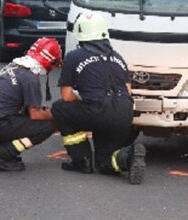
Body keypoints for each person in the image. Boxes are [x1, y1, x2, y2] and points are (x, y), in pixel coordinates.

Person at [52, 11, 146, 184]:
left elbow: (66, 97)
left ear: (80, 33)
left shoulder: (74, 57)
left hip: (98, 111)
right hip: (124, 114)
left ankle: (82, 161)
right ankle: (129, 157)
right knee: (104, 163)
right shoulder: (117, 57)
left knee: (59, 109)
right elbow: (128, 90)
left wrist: (83, 102)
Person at [0, 38, 61, 171]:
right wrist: (55, 115)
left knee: (18, 117)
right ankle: (1, 155)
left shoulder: (15, 66)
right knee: (48, 126)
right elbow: (35, 114)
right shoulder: (30, 78)